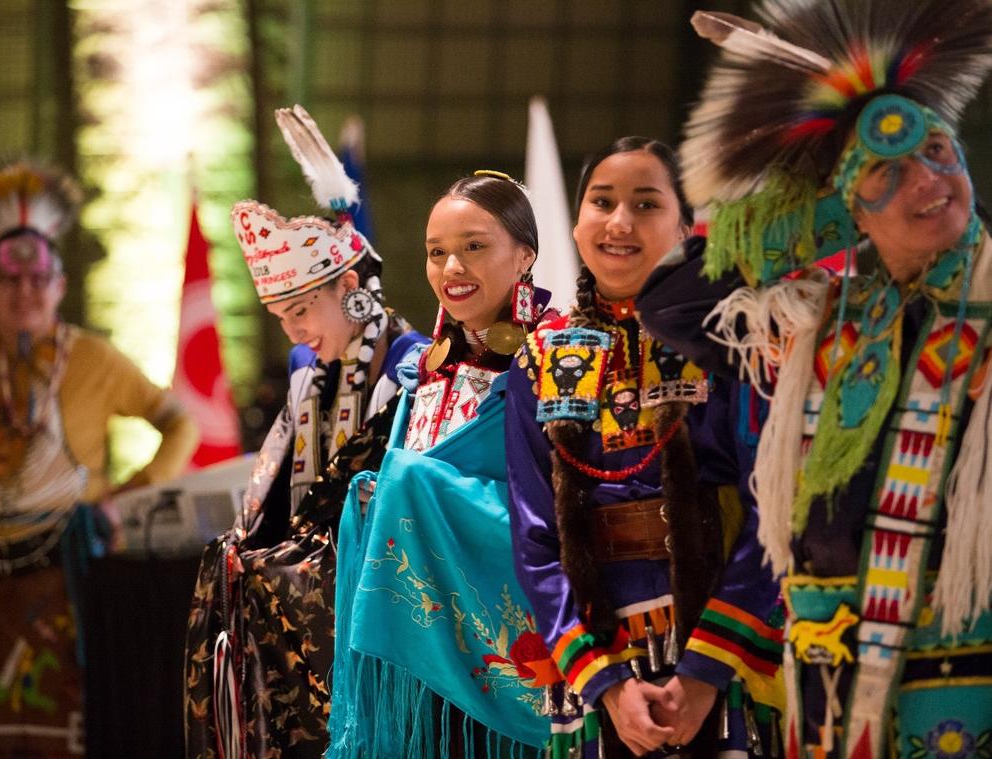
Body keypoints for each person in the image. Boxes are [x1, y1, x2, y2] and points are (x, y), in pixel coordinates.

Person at [636, 2, 992, 757]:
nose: (929, 179)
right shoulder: (818, 326)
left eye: (938, 152)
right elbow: (669, 302)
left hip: (963, 673)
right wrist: (842, 209)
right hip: (830, 680)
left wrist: (896, 193)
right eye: (889, 173)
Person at [0, 161, 198, 757]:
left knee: (72, 720)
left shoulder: (92, 360)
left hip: (70, 567)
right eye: (10, 283)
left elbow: (177, 422)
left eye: (38, 282)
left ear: (59, 285)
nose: (24, 293)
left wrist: (133, 490)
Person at [506, 138, 785, 759]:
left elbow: (774, 510)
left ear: (687, 226)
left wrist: (704, 673)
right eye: (601, 202)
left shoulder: (733, 343)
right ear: (576, 223)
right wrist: (605, 684)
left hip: (717, 639)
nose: (619, 222)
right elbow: (532, 534)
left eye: (646, 203)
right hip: (598, 658)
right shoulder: (540, 358)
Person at [183, 106, 425, 759]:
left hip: (382, 606)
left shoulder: (412, 366)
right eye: (278, 315)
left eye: (300, 310)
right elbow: (272, 496)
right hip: (307, 614)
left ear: (348, 288)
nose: (292, 331)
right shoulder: (304, 372)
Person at [329, 172, 556, 757]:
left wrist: (412, 485)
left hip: (515, 620)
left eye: (474, 247)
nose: (451, 267)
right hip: (427, 633)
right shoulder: (425, 371)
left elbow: (557, 506)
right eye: (437, 252)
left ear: (525, 254)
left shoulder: (557, 357)